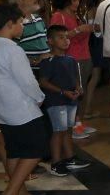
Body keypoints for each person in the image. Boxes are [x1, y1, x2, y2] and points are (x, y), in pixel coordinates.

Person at [0, 5, 49, 195]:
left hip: (3, 110)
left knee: (15, 150)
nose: (22, 27)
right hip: (22, 108)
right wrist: (40, 98)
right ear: (10, 24)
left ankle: (22, 192)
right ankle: (10, 194)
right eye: (20, 23)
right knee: (37, 149)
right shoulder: (12, 49)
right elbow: (27, 81)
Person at [38, 25, 91, 176]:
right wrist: (63, 92)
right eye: (60, 37)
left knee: (68, 130)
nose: (65, 40)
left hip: (70, 100)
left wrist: (78, 88)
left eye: (67, 37)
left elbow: (75, 79)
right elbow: (43, 82)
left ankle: (70, 158)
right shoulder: (48, 61)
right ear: (50, 41)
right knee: (58, 131)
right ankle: (56, 162)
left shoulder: (71, 59)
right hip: (56, 101)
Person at [50, 0, 97, 139]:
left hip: (84, 56)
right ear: (66, 0)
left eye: (78, 0)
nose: (77, 3)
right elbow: (57, 37)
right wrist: (78, 30)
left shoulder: (76, 15)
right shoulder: (59, 16)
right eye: (74, 0)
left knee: (80, 93)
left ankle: (78, 123)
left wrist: (90, 28)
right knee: (73, 92)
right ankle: (73, 126)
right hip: (71, 58)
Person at [7, 0, 51, 73]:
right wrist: (35, 60)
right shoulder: (16, 25)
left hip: (47, 73)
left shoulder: (38, 19)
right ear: (19, 1)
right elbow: (10, 54)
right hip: (30, 73)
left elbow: (46, 43)